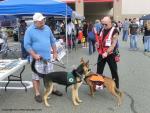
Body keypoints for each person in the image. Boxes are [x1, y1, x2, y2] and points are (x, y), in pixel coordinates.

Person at [24, 13, 63, 103]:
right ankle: (37, 93)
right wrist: (34, 55)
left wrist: (55, 53)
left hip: (48, 58)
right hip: (36, 59)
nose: (42, 22)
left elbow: (53, 41)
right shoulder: (29, 30)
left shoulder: (47, 28)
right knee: (36, 77)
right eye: (40, 21)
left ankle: (52, 89)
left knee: (50, 76)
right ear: (35, 22)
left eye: (43, 20)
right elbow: (26, 45)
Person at [95, 16, 119, 88]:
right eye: (103, 24)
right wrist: (97, 43)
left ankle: (116, 87)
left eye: (106, 24)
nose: (104, 26)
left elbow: (113, 45)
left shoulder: (115, 31)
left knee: (114, 71)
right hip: (101, 53)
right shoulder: (102, 29)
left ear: (110, 23)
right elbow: (99, 39)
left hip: (110, 54)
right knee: (99, 71)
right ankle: (99, 85)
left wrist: (107, 52)